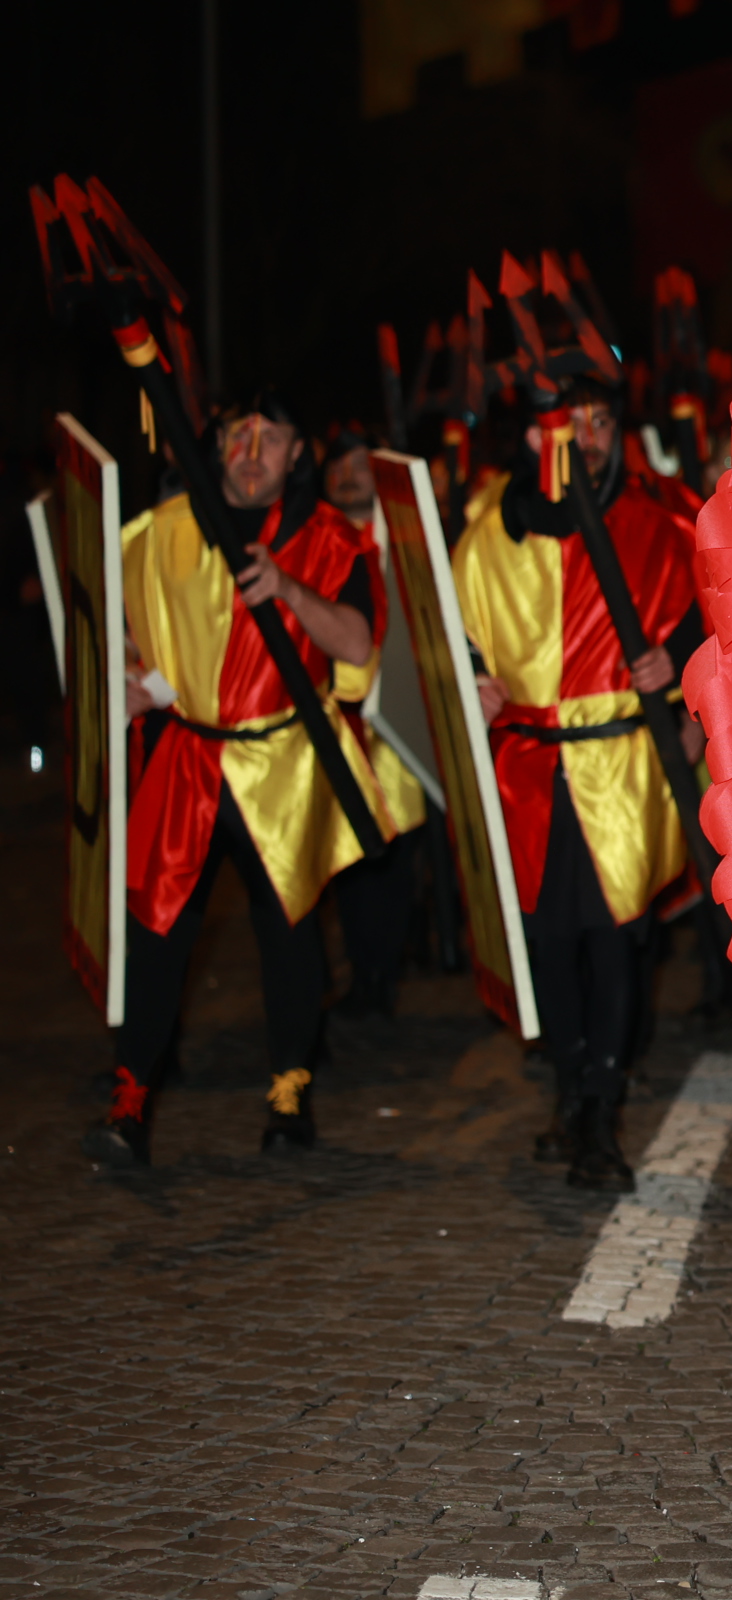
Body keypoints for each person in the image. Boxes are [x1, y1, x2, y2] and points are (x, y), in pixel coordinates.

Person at [83, 395, 395, 1164]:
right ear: (216, 445)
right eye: (237, 437)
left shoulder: (332, 538)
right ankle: (130, 1097)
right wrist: (130, 681)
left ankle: (289, 1091)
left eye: (271, 439)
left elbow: (357, 645)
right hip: (189, 758)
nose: (251, 454)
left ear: (298, 454)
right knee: (157, 930)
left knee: (289, 934)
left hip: (281, 762)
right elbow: (110, 625)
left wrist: (288, 589)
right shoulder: (159, 533)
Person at [451, 379, 705, 1191]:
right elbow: (451, 638)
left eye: (601, 422)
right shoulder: (486, 536)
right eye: (570, 423)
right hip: (528, 770)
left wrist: (678, 666)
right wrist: (472, 680)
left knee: (615, 939)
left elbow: (712, 625)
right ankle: (569, 1090)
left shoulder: (659, 527)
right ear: (533, 437)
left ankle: (600, 1110)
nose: (587, 437)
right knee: (549, 941)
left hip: (620, 768)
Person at [321, 426, 432, 1019]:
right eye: (337, 466)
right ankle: (363, 970)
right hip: (336, 724)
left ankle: (385, 968)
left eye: (359, 465)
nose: (347, 476)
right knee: (347, 858)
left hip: (395, 727)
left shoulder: (412, 541)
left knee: (394, 854)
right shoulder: (317, 542)